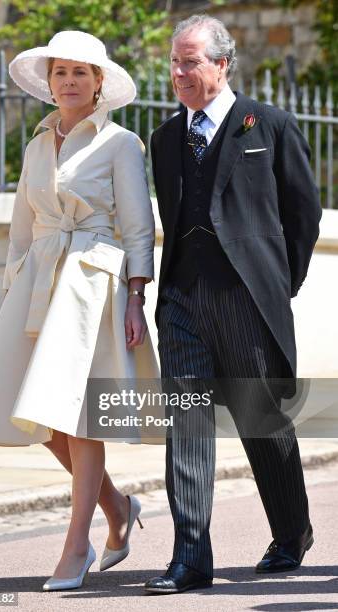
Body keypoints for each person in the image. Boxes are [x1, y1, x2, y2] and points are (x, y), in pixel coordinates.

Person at [0, 30, 159, 591]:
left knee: (80, 418)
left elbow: (138, 226)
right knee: (30, 408)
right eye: (60, 72)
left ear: (99, 82)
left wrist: (136, 295)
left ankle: (75, 546)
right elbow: (20, 230)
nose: (69, 81)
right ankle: (119, 508)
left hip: (92, 284)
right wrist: (12, 292)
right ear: (48, 83)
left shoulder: (121, 143)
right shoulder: (35, 145)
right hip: (37, 281)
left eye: (81, 72)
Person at [145, 15, 322, 595]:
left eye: (190, 61)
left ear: (223, 63)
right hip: (181, 301)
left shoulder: (268, 124)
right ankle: (191, 557)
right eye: (174, 62)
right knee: (187, 425)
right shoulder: (165, 140)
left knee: (260, 422)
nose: (178, 72)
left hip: (246, 300)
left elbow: (303, 216)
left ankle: (292, 532)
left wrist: (276, 285)